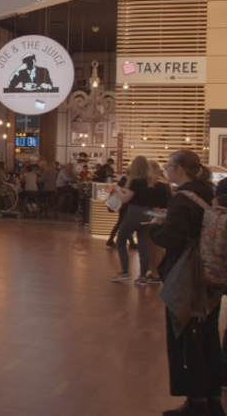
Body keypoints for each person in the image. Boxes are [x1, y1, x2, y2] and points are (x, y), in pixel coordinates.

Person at [149, 150, 222, 416]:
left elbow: (171, 237)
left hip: (189, 276)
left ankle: (197, 403)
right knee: (209, 337)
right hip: (211, 275)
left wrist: (155, 227)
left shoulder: (183, 199)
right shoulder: (209, 192)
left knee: (188, 335)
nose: (166, 170)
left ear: (179, 169)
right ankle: (213, 399)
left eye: (168, 166)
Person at [111, 156, 171, 286]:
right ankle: (142, 277)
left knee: (120, 240)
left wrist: (117, 191)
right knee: (143, 246)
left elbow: (126, 199)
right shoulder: (152, 183)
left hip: (134, 213)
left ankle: (125, 272)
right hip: (146, 215)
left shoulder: (135, 182)